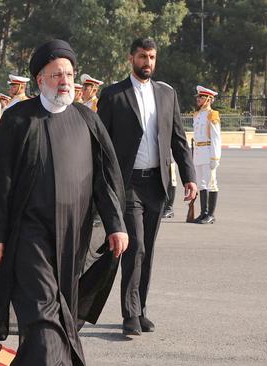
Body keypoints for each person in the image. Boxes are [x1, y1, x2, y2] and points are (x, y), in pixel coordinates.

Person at [0, 39, 129, 366]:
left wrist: (116, 225)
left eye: (70, 75)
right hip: (28, 237)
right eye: (56, 75)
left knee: (56, 318)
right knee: (44, 320)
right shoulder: (19, 119)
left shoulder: (87, 121)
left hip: (73, 240)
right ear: (40, 80)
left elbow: (106, 180)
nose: (65, 82)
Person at [96, 37, 197, 336]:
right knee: (135, 245)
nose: (148, 62)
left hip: (156, 183)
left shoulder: (167, 94)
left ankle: (140, 309)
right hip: (127, 185)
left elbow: (178, 138)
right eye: (142, 57)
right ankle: (129, 314)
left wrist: (189, 175)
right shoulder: (114, 95)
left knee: (147, 249)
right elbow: (101, 143)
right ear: (131, 58)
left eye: (152, 57)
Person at [192, 85, 221, 224]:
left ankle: (211, 214)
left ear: (209, 99)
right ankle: (203, 213)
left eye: (201, 97)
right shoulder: (197, 115)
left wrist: (215, 157)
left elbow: (216, 137)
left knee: (211, 183)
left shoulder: (212, 115)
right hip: (198, 152)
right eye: (198, 97)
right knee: (201, 184)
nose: (198, 99)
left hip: (209, 151)